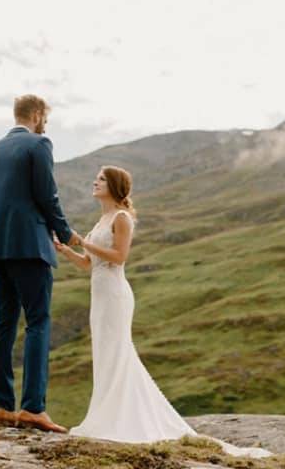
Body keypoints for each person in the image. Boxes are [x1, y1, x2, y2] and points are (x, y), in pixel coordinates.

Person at [55, 166, 196, 442]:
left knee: (117, 351)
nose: (95, 182)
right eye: (96, 177)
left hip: (115, 292)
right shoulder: (101, 220)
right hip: (99, 291)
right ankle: (107, 414)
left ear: (116, 186)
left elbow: (119, 257)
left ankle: (119, 418)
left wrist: (82, 240)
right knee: (104, 352)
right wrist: (66, 250)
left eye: (102, 179)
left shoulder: (121, 218)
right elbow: (87, 264)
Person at [0, 94, 82, 433]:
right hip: (29, 246)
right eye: (45, 118)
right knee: (38, 321)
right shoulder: (39, 145)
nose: (45, 125)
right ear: (37, 115)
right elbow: (46, 194)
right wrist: (65, 233)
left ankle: (3, 407)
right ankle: (33, 408)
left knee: (3, 323)